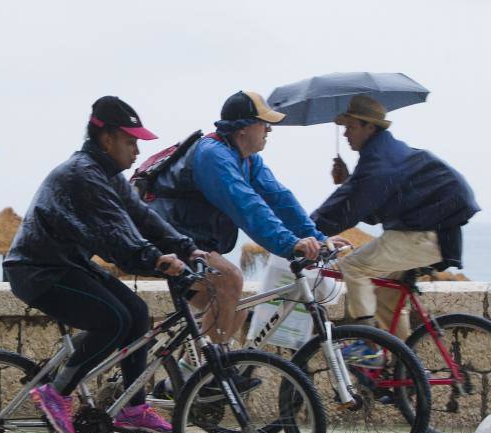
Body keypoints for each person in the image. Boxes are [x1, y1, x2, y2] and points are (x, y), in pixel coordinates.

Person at [3, 96, 205, 433]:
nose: (137, 152)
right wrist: (154, 259)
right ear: (106, 138)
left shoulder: (107, 175)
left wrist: (186, 247)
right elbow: (115, 233)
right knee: (113, 318)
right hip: (37, 271)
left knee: (137, 313)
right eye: (131, 142)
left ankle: (133, 407)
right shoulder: (83, 174)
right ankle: (56, 392)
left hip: (67, 265)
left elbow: (141, 217)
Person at [148, 90, 347, 344]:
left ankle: (190, 375)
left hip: (192, 239)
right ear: (242, 128)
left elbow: (280, 199)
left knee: (237, 309)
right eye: (264, 123)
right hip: (166, 237)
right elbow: (248, 207)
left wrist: (317, 237)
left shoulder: (248, 160)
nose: (269, 130)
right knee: (230, 279)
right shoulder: (213, 155)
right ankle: (210, 376)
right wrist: (289, 243)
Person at [311, 95, 480, 364]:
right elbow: (368, 197)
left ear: (370, 127)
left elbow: (351, 204)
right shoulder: (384, 154)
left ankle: (367, 343)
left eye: (351, 126)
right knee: (388, 295)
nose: (345, 134)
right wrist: (348, 181)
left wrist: (308, 230)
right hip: (430, 232)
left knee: (353, 267)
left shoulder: (380, 160)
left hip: (422, 234)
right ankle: (405, 369)